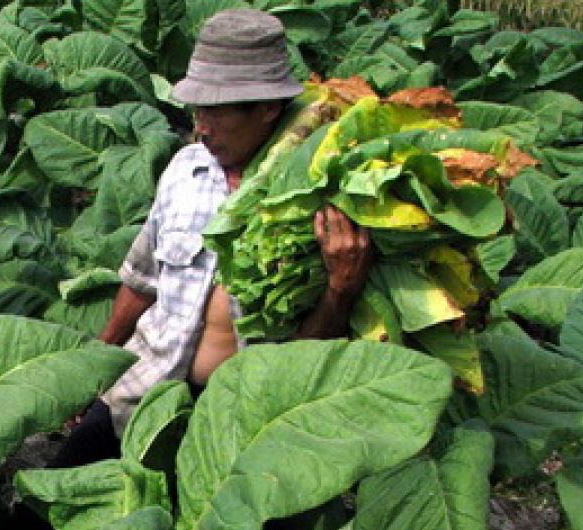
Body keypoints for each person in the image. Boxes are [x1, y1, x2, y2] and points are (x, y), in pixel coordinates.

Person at [52, 8, 372, 468]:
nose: (201, 127)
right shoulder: (187, 167)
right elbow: (141, 281)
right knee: (44, 508)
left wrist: (342, 289)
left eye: (217, 113)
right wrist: (92, 375)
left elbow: (312, 357)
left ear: (267, 109)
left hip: (242, 418)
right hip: (145, 385)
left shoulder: (319, 198)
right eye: (197, 110)